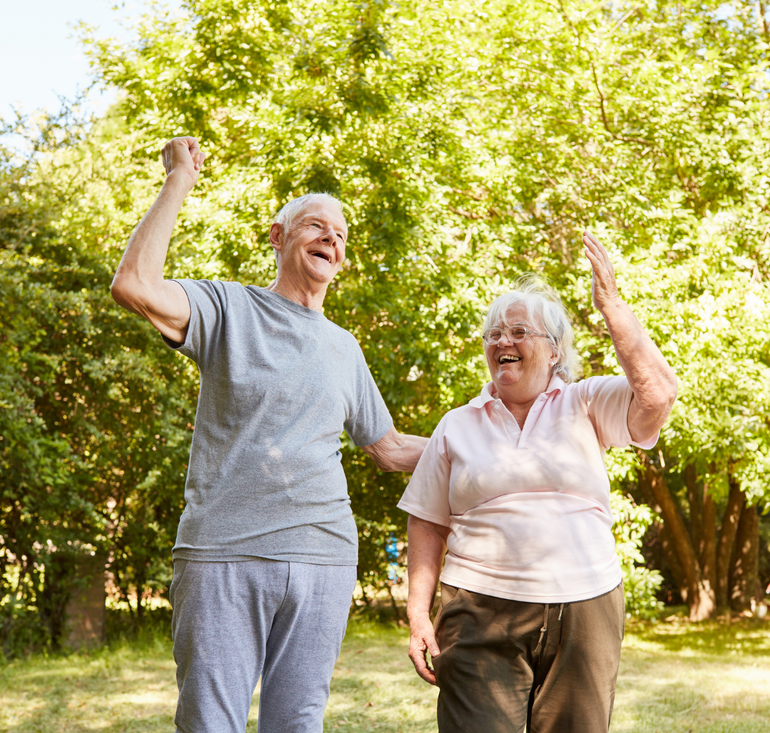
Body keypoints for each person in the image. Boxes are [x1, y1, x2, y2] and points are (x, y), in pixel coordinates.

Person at [110, 136, 427, 733]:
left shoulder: (344, 347)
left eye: (339, 236)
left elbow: (388, 449)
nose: (331, 239)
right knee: (210, 723)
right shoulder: (228, 309)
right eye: (315, 226)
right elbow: (134, 285)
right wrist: (180, 178)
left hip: (325, 558)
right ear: (277, 236)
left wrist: (493, 439)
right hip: (225, 552)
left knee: (298, 724)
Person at [399, 233, 678, 733]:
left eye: (519, 331)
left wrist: (611, 306)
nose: (503, 341)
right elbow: (426, 522)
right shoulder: (457, 424)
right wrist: (419, 613)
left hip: (585, 605)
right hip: (478, 608)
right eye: (494, 334)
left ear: (553, 352)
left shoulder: (586, 402)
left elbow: (657, 395)